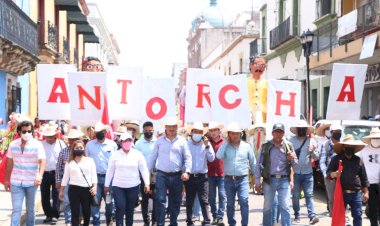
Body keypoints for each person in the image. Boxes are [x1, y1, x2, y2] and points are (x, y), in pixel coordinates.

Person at [148, 116, 192, 226]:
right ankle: (161, 223)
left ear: (176, 127)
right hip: (162, 175)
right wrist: (147, 174)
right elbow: (153, 158)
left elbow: (188, 157)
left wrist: (187, 171)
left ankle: (173, 223)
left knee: (176, 201)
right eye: (169, 126)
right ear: (165, 127)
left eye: (173, 126)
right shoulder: (159, 141)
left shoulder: (182, 141)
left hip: (178, 175)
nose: (171, 129)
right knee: (160, 200)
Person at [4, 120, 46, 226]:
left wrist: (39, 176)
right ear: (19, 132)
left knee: (30, 209)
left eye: (29, 131)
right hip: (16, 182)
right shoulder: (13, 145)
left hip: (32, 182)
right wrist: (6, 180)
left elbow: (42, 161)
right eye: (24, 131)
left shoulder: (37, 145)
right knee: (16, 209)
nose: (27, 133)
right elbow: (9, 162)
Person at [255, 123, 297, 226]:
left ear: (283, 133)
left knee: (285, 206)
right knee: (267, 207)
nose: (278, 134)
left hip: (284, 180)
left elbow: (295, 165)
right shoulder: (265, 147)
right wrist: (257, 181)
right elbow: (257, 164)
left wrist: (293, 158)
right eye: (276, 132)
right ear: (272, 133)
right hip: (269, 180)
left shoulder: (289, 146)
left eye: (280, 132)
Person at [105, 132, 150, 226]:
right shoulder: (115, 155)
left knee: (130, 210)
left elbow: (144, 169)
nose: (127, 142)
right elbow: (110, 171)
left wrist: (147, 183)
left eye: (129, 140)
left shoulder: (138, 154)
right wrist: (106, 185)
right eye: (125, 140)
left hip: (133, 186)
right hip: (118, 186)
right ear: (121, 142)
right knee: (120, 208)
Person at [216, 122, 256, 226]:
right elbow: (218, 156)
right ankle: (232, 224)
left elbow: (253, 163)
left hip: (242, 179)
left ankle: (244, 224)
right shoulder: (225, 146)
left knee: (244, 201)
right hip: (228, 179)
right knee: (230, 204)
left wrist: (256, 180)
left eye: (237, 133)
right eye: (232, 133)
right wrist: (225, 142)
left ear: (240, 134)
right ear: (229, 134)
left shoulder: (246, 147)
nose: (235, 135)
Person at [328, 134, 369, 226]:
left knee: (358, 215)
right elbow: (329, 174)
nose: (350, 148)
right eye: (348, 146)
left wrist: (366, 192)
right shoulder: (336, 159)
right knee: (339, 216)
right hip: (341, 193)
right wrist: (335, 174)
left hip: (356, 193)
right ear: (343, 147)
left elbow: (364, 177)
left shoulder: (358, 160)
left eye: (352, 146)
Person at [86, 122, 118, 226]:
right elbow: (86, 161)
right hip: (94, 178)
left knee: (109, 202)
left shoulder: (112, 144)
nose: (100, 133)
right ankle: (96, 222)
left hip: (109, 179)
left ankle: (109, 218)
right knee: (95, 202)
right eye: (98, 131)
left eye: (102, 131)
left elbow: (116, 161)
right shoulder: (89, 145)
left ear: (105, 132)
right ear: (95, 133)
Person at [59, 140, 97, 226]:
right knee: (75, 212)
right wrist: (61, 191)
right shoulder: (69, 162)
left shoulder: (90, 160)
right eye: (77, 148)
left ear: (84, 149)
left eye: (81, 147)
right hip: (74, 189)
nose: (79, 149)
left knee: (86, 212)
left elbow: (94, 175)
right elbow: (65, 178)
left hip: (87, 189)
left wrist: (95, 187)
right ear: (73, 149)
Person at [289, 120, 319, 224]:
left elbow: (317, 157)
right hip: (296, 173)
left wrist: (312, 151)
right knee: (295, 196)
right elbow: (287, 157)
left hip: (308, 173)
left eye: (303, 129)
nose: (301, 130)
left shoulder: (312, 141)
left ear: (306, 130)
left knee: (309, 195)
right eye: (299, 128)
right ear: (297, 130)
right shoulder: (291, 141)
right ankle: (297, 215)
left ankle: (312, 216)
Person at [185, 122, 215, 226]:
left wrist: (207, 146)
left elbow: (211, 158)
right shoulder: (186, 144)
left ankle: (206, 221)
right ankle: (189, 221)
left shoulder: (206, 144)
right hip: (190, 176)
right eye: (195, 132)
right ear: (191, 133)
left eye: (200, 132)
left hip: (202, 176)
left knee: (204, 200)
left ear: (202, 134)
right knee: (189, 201)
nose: (197, 134)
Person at [40, 121, 67, 224]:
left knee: (56, 196)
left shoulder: (61, 144)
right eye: (47, 136)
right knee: (44, 196)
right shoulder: (41, 144)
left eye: (51, 136)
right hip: (45, 173)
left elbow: (65, 158)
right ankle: (48, 214)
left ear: (55, 135)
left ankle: (55, 215)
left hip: (57, 173)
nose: (49, 138)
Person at [56, 129, 84, 226]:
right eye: (71, 139)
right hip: (67, 181)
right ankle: (68, 221)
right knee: (67, 201)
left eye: (75, 139)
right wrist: (58, 181)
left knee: (80, 201)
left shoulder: (83, 152)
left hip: (80, 181)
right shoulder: (63, 152)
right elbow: (58, 167)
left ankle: (80, 217)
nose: (73, 141)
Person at [134, 121, 157, 226]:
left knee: (156, 199)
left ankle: (154, 221)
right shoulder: (138, 144)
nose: (148, 132)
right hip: (143, 175)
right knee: (145, 200)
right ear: (143, 131)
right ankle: (146, 222)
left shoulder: (158, 142)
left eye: (150, 131)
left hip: (155, 174)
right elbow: (135, 159)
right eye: (146, 130)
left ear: (153, 131)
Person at [319, 123, 342, 216]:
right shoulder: (326, 145)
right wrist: (326, 175)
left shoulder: (343, 144)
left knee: (343, 197)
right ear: (331, 133)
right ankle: (334, 217)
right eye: (336, 132)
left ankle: (343, 217)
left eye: (340, 132)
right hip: (330, 176)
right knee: (332, 199)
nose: (338, 134)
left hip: (342, 175)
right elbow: (322, 161)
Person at [359, 128, 380, 226]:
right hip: (370, 185)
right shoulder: (364, 150)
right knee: (373, 210)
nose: (376, 139)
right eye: (374, 137)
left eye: (377, 137)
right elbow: (359, 166)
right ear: (370, 138)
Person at [207, 121, 226, 225]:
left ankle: (220, 216)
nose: (213, 132)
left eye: (215, 130)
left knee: (222, 195)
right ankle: (214, 216)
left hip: (222, 173)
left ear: (219, 131)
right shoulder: (207, 143)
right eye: (211, 130)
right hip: (210, 174)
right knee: (211, 196)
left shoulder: (225, 142)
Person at [247, 56, 268, 123]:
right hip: (247, 116)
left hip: (262, 117)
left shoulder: (267, 83)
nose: (259, 67)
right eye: (256, 64)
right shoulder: (244, 82)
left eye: (262, 65)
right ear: (251, 66)